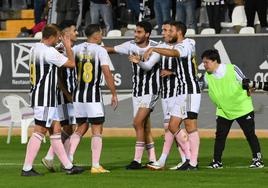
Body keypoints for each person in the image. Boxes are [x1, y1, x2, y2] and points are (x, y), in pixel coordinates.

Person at [21, 24, 84, 176]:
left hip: (42, 95)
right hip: (45, 97)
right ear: (52, 37)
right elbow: (71, 64)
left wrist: (58, 50)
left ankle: (68, 166)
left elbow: (50, 57)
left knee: (56, 130)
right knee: (40, 130)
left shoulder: (35, 48)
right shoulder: (49, 52)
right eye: (58, 37)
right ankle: (27, 168)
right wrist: (68, 47)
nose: (59, 40)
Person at [129, 20, 190, 170]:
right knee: (168, 127)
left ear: (174, 32)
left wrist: (172, 71)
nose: (164, 33)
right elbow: (148, 66)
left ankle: (187, 158)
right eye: (163, 30)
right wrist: (139, 62)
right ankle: (180, 159)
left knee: (174, 126)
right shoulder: (161, 47)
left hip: (179, 92)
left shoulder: (184, 46)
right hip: (166, 93)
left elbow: (189, 70)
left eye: (167, 30)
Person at [144, 21, 201, 170]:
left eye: (172, 31)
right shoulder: (183, 44)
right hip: (181, 91)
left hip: (189, 90)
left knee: (190, 126)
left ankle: (193, 163)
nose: (169, 33)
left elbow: (176, 53)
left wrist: (154, 48)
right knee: (172, 125)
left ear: (179, 32)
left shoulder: (186, 45)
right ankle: (188, 158)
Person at [105, 21, 160, 169]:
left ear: (147, 34)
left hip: (150, 91)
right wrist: (93, 48)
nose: (136, 35)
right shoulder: (130, 45)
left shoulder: (156, 47)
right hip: (137, 92)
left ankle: (136, 160)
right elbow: (111, 49)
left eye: (139, 32)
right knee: (144, 126)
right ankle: (153, 160)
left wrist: (138, 61)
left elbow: (148, 67)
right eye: (135, 31)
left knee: (136, 123)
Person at [67, 24, 118, 173]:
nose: (102, 36)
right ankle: (95, 164)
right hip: (93, 96)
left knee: (80, 127)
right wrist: (114, 93)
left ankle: (68, 159)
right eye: (101, 34)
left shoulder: (76, 49)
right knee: (97, 129)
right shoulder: (100, 50)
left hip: (78, 95)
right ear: (96, 35)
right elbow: (107, 73)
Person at [201, 49, 264, 169]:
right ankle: (217, 161)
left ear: (215, 61)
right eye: (203, 63)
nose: (204, 65)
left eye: (206, 62)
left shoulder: (232, 68)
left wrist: (249, 88)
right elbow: (196, 86)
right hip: (224, 110)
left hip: (242, 108)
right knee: (220, 136)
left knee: (250, 134)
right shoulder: (206, 76)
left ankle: (258, 159)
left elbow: (245, 81)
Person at [41, 20, 79, 172]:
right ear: (65, 34)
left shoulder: (69, 48)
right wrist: (66, 93)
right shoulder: (59, 50)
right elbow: (56, 77)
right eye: (74, 30)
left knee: (70, 128)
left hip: (69, 94)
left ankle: (54, 158)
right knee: (70, 127)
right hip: (62, 96)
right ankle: (63, 160)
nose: (76, 33)